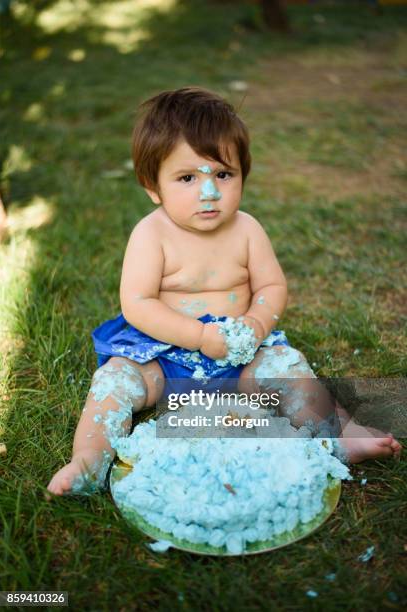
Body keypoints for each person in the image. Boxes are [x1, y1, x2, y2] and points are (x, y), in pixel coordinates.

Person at [47, 87, 401, 496]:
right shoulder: (151, 235)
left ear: (242, 175)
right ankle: (90, 460)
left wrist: (255, 321)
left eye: (223, 174)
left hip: (240, 360)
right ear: (152, 186)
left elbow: (272, 286)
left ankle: (341, 432)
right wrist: (197, 337)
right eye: (187, 178)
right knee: (114, 382)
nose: (209, 192)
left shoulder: (247, 230)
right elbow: (138, 304)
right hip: (164, 362)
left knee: (288, 368)